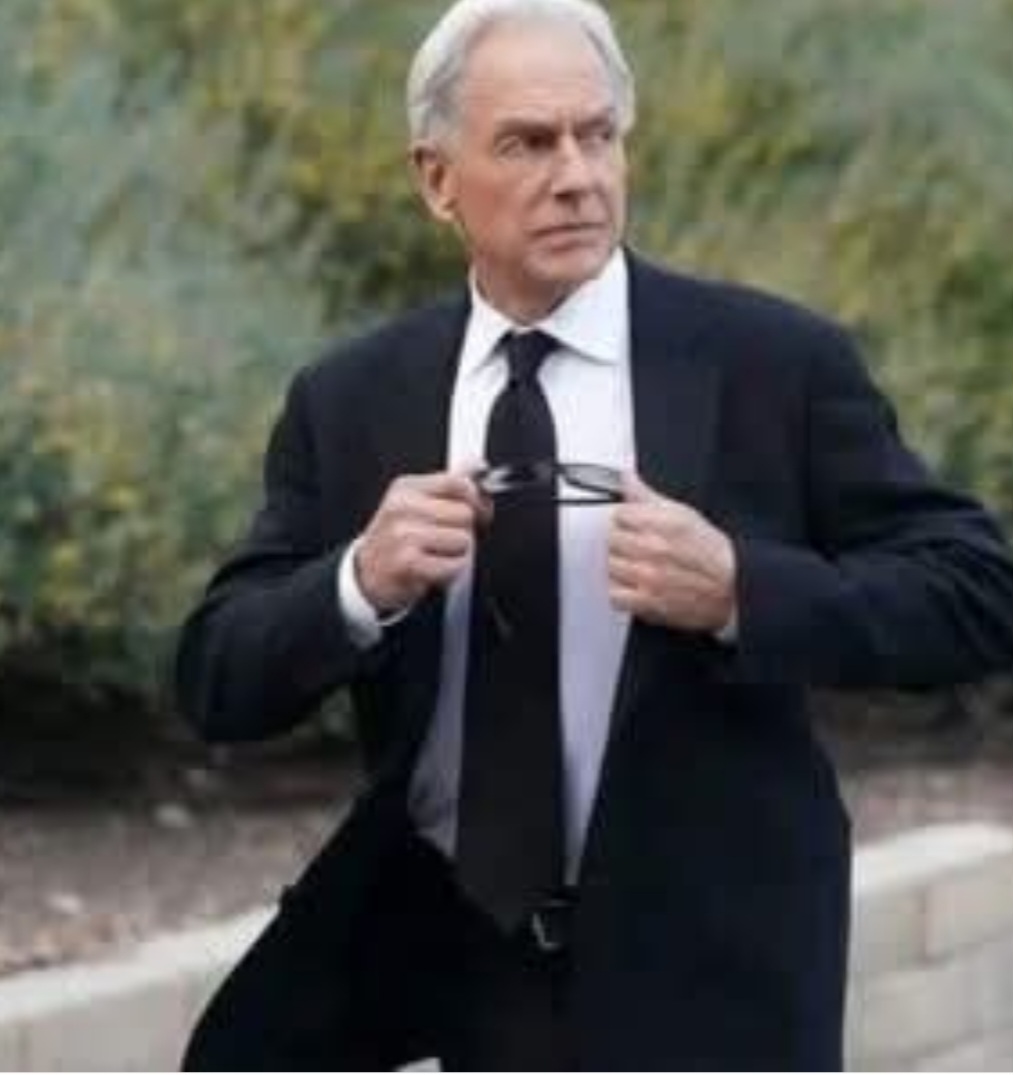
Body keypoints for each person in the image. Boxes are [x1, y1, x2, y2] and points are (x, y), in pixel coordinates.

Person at [174, 0, 1013, 1069]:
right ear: (436, 179)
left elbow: (976, 592)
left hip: (708, 966)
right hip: (458, 954)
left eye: (596, 134)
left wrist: (740, 590)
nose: (575, 175)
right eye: (527, 142)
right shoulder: (352, 399)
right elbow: (217, 676)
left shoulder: (770, 363)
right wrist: (357, 581)